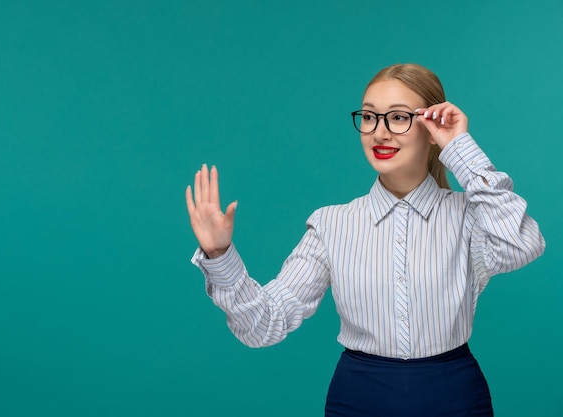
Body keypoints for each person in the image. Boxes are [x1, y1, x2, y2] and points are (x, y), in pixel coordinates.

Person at [184, 63, 545, 417]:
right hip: (358, 397)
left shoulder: (469, 215)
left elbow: (521, 245)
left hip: (453, 394)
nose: (380, 133)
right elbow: (264, 325)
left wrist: (459, 148)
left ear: (431, 128)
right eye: (369, 117)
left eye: (399, 117)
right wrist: (219, 255)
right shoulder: (331, 224)